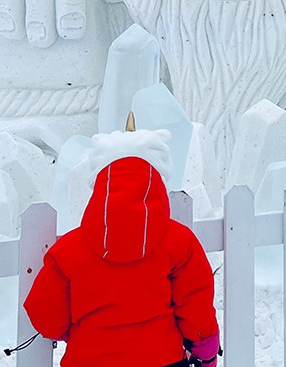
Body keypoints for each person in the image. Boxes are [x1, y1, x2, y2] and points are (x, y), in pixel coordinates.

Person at [23, 134, 221, 367]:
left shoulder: (68, 250)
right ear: (155, 181)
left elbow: (44, 311)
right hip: (161, 359)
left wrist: (76, 333)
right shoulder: (179, 242)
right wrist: (205, 351)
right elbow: (196, 305)